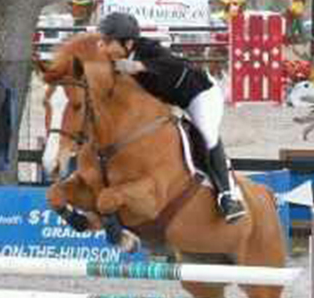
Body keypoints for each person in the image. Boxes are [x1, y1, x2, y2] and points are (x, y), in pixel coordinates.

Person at [97, 11, 245, 222]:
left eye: (107, 41)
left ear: (128, 43)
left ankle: (228, 196)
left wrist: (141, 66)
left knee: (206, 135)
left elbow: (175, 64)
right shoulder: (114, 58)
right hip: (172, 102)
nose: (102, 46)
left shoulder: (147, 49)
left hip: (200, 94)